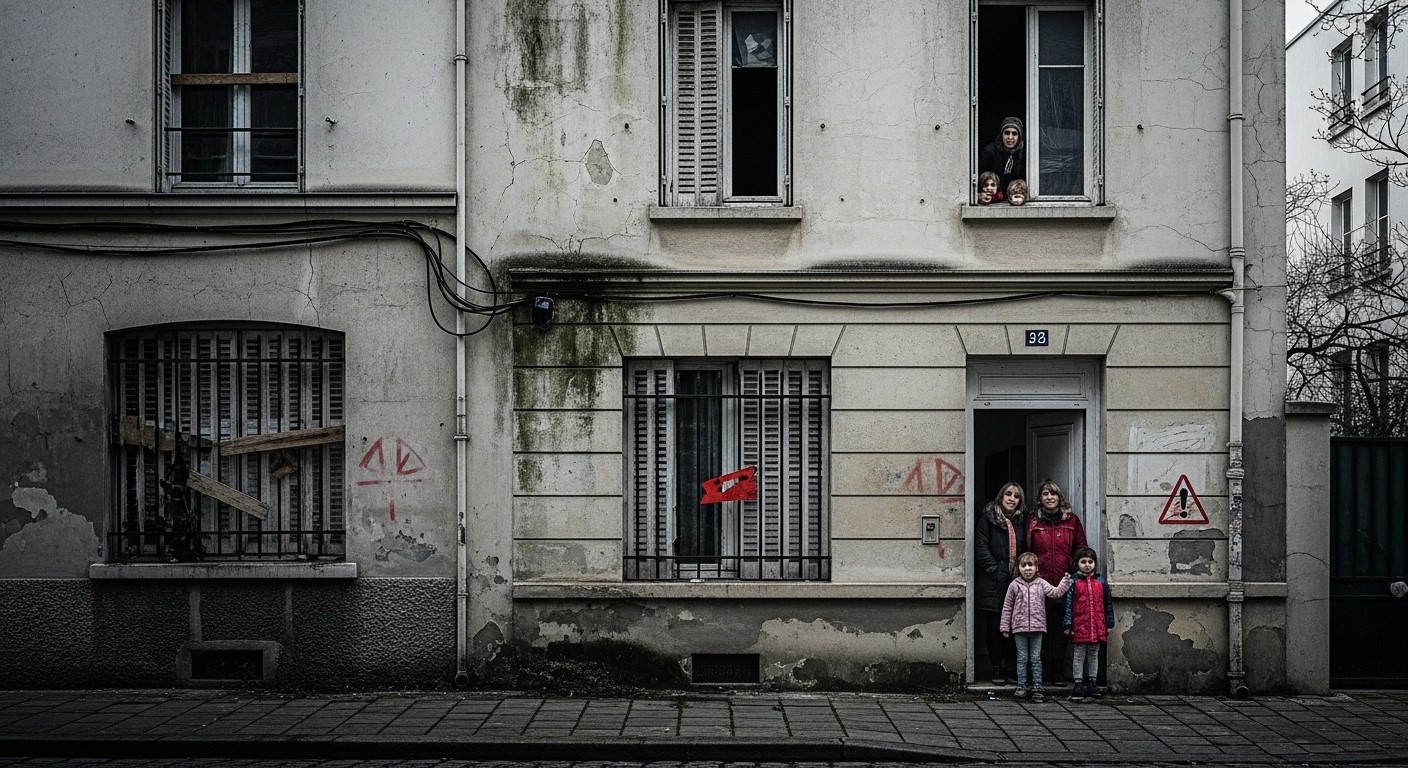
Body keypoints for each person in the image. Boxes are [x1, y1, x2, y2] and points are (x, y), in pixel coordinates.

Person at [1027, 479, 1087, 683]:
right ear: (1040, 499)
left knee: (1062, 630)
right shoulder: (1033, 522)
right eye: (1045, 494)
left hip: (1065, 584)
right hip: (1038, 584)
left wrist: (1074, 573)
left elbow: (1081, 549)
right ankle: (1039, 673)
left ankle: (1058, 672)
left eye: (1053, 493)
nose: (1050, 497)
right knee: (1039, 629)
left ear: (1060, 497)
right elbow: (1025, 552)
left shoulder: (1071, 521)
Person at [1001, 551, 1072, 702]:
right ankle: (1021, 686)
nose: (1027, 569)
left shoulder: (1041, 583)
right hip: (1019, 628)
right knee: (1022, 658)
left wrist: (1065, 581)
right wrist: (1005, 626)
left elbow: (1055, 592)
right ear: (1018, 568)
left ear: (1036, 568)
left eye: (1030, 565)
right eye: (1024, 565)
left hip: (1037, 628)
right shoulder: (1014, 585)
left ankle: (1037, 687)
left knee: (1035, 658)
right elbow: (1007, 606)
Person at [974, 482, 1026, 683]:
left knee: (1016, 626)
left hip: (1017, 580)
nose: (1012, 499)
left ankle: (1011, 668)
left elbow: (1027, 547)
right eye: (1008, 494)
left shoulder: (1022, 522)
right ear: (1000, 497)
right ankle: (996, 667)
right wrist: (997, 571)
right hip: (993, 581)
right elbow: (981, 548)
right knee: (995, 626)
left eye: (1016, 496)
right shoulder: (988, 519)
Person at [1062, 546, 1113, 700]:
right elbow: (1068, 605)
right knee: (1078, 655)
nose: (1087, 565)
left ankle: (1092, 682)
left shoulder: (1101, 581)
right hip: (1080, 625)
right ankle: (1078, 683)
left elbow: (1107, 604)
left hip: (1097, 625)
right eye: (1083, 561)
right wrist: (1068, 624)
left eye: (1090, 561)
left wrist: (1109, 624)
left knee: (1093, 655)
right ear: (1077, 564)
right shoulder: (1074, 582)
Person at [978, 116, 1026, 191]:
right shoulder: (989, 152)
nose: (1010, 137)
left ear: (1019, 137)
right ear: (1001, 135)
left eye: (1014, 134)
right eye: (1007, 133)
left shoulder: (1025, 154)